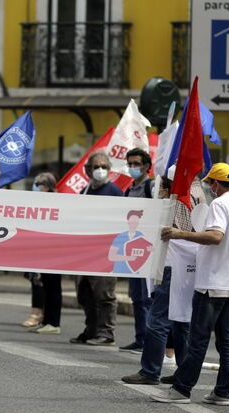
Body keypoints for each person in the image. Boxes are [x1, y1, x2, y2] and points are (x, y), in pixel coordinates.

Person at [155, 163, 229, 406]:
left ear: (215, 183)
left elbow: (215, 236)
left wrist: (181, 235)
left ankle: (182, 388)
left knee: (198, 338)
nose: (209, 188)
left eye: (211, 183)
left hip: (212, 283)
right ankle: (222, 391)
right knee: (226, 340)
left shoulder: (219, 204)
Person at [121, 167, 205, 385]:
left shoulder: (177, 200)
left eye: (163, 186)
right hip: (190, 263)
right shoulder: (199, 191)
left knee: (158, 318)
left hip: (172, 262)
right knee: (182, 319)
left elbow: (166, 227)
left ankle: (150, 371)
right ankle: (183, 372)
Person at [70, 152, 122, 347]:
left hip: (105, 252)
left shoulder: (115, 192)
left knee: (104, 294)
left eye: (104, 166)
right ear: (87, 170)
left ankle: (106, 333)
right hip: (85, 252)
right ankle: (91, 329)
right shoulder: (84, 191)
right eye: (96, 166)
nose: (100, 170)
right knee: (85, 294)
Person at [119, 148, 155, 353]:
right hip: (131, 247)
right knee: (136, 296)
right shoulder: (128, 189)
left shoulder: (151, 187)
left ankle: (151, 339)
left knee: (147, 296)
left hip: (147, 249)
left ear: (146, 166)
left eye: (136, 164)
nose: (133, 167)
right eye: (130, 164)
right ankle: (140, 337)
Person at [29, 172, 63, 335]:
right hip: (44, 249)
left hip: (55, 250)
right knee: (46, 287)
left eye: (39, 184)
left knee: (53, 287)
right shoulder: (41, 201)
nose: (36, 187)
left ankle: (54, 322)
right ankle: (46, 320)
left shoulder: (56, 201)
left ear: (48, 186)